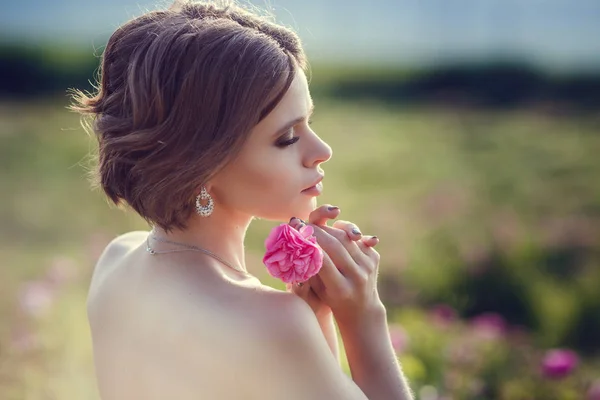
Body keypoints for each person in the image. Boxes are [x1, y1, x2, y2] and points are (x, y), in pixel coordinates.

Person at [70, 1, 413, 399]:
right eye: (286, 138)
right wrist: (365, 319)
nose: (322, 150)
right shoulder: (269, 323)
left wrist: (314, 313)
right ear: (202, 163)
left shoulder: (115, 263)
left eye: (310, 123)